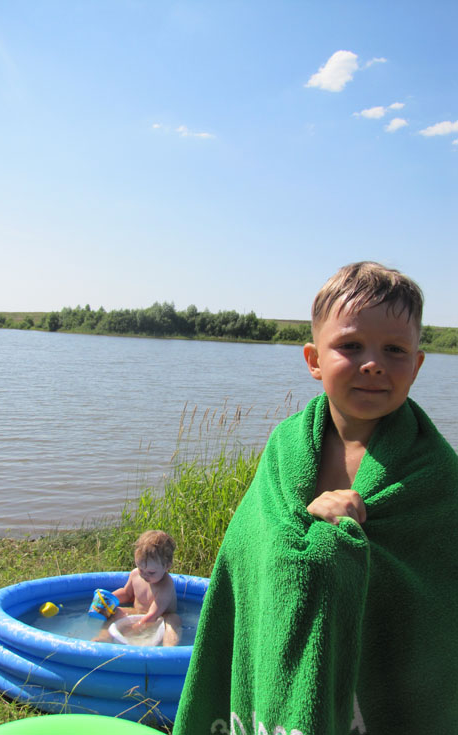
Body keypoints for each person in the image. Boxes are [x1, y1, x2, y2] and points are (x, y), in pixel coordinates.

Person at [173, 262, 458, 735]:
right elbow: (250, 553)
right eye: (351, 346)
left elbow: (438, 594)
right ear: (314, 360)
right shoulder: (285, 449)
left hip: (379, 680)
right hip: (281, 674)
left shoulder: (436, 473)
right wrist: (307, 522)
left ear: (417, 365)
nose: (373, 363)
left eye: (394, 349)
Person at [94, 529, 181, 647]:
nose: (145, 575)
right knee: (116, 611)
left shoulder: (166, 585)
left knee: (173, 620)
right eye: (141, 569)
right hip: (138, 613)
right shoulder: (135, 575)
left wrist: (135, 628)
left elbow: (153, 615)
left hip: (160, 619)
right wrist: (108, 600)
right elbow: (126, 593)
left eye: (151, 572)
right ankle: (104, 636)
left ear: (167, 566)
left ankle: (169, 648)